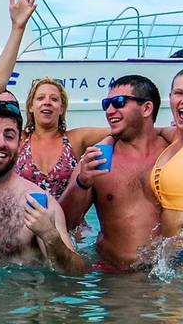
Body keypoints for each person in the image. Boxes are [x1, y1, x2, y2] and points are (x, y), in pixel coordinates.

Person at [0, 102, 88, 275]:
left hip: (21, 298)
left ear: (20, 145)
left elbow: (77, 273)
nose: (0, 143)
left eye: (9, 136)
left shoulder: (39, 204)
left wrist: (50, 236)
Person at [60, 75, 168, 271]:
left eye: (118, 103)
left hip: (168, 279)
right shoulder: (95, 160)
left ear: (147, 108)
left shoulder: (173, 155)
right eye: (106, 104)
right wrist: (81, 182)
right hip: (116, 281)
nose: (110, 111)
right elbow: (64, 225)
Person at [15, 78, 110, 198]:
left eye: (54, 99)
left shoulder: (75, 139)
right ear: (31, 107)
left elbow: (118, 131)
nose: (47, 102)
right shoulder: (20, 139)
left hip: (67, 216)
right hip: (24, 216)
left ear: (61, 109)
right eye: (40, 98)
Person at [152, 69, 183, 239]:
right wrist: (111, 139)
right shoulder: (175, 138)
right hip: (170, 257)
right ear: (170, 97)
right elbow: (152, 131)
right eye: (179, 93)